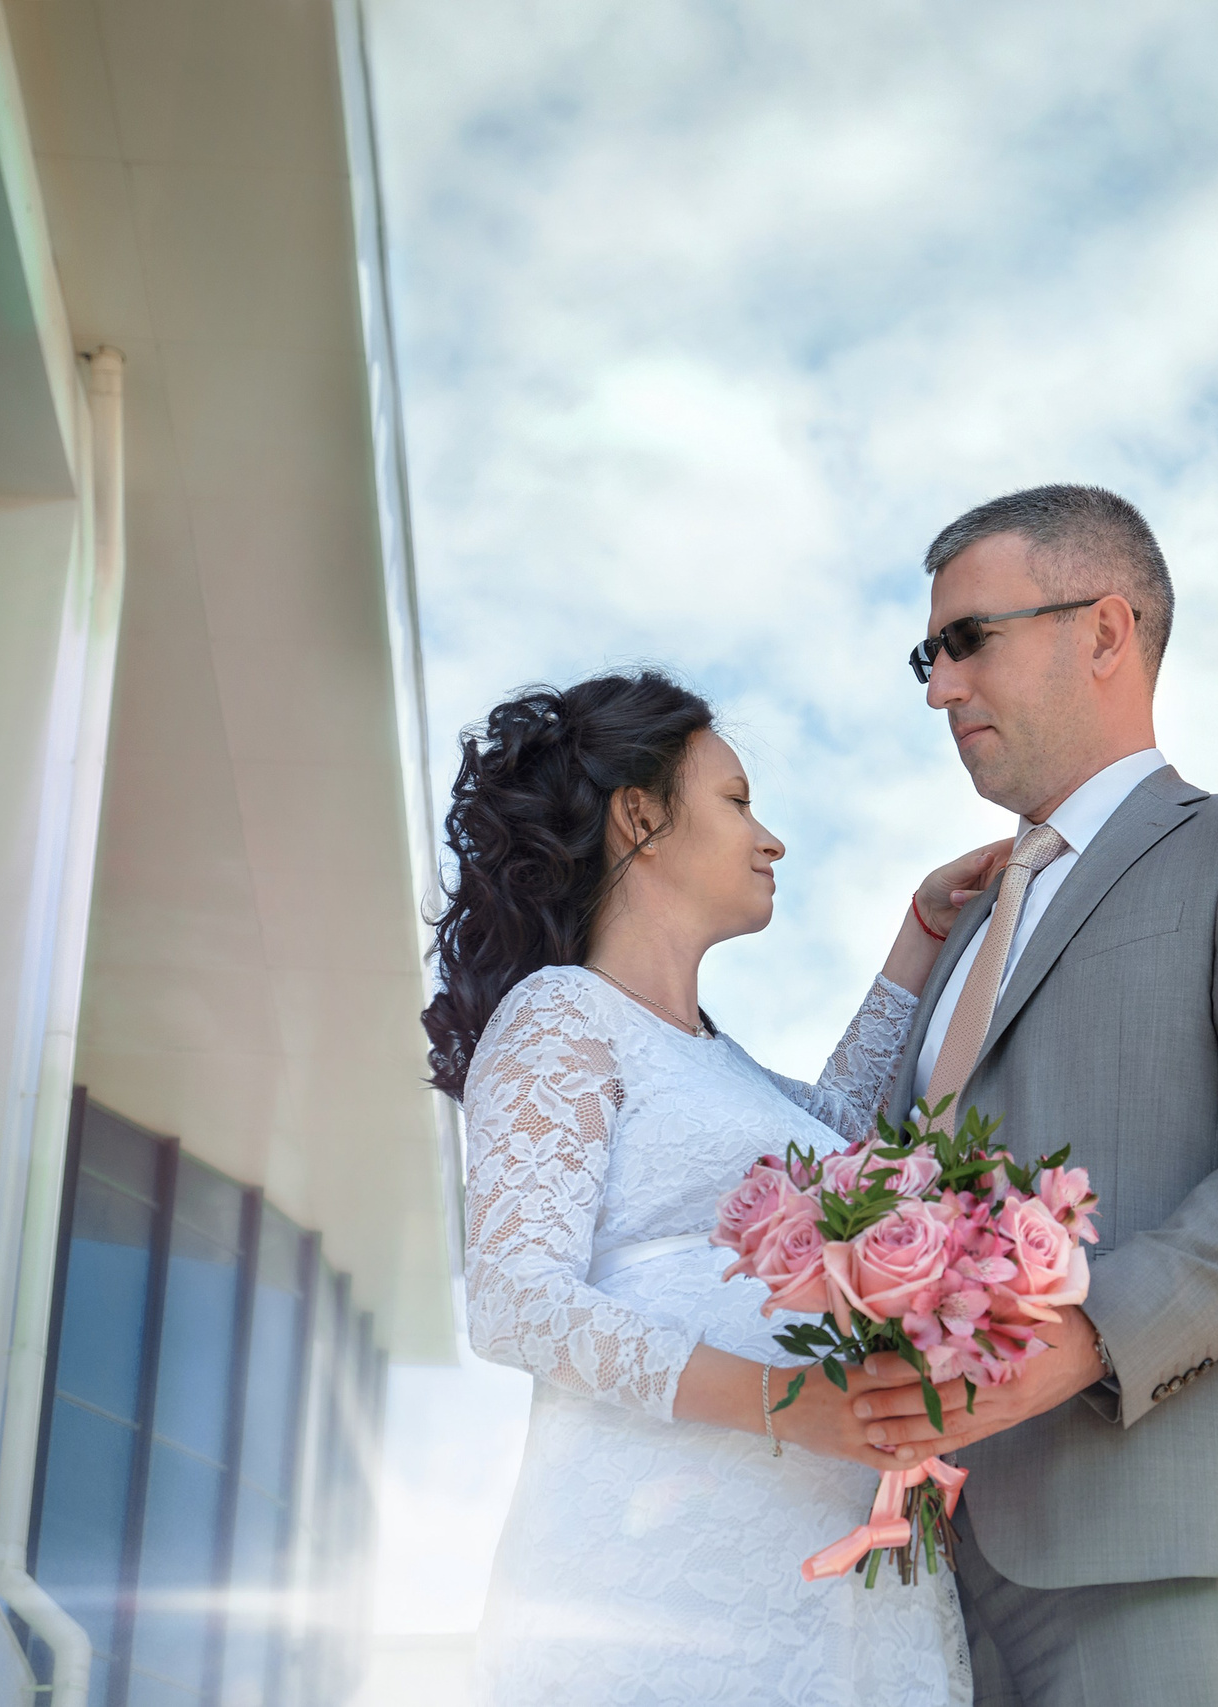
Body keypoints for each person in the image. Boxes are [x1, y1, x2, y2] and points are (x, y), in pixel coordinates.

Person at [851, 485, 1218, 1705]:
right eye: (927, 656)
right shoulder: (951, 939)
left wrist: (1093, 1333)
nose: (941, 688)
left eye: (968, 641)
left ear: (1105, 630)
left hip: (1179, 1536)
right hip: (949, 1581)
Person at [429, 670, 1008, 1705]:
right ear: (639, 817)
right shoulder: (562, 1016)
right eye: (737, 801)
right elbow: (516, 1303)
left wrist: (919, 936)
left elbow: (837, 1138)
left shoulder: (722, 1064)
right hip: (666, 1572)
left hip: (823, 1566)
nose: (769, 837)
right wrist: (796, 1402)